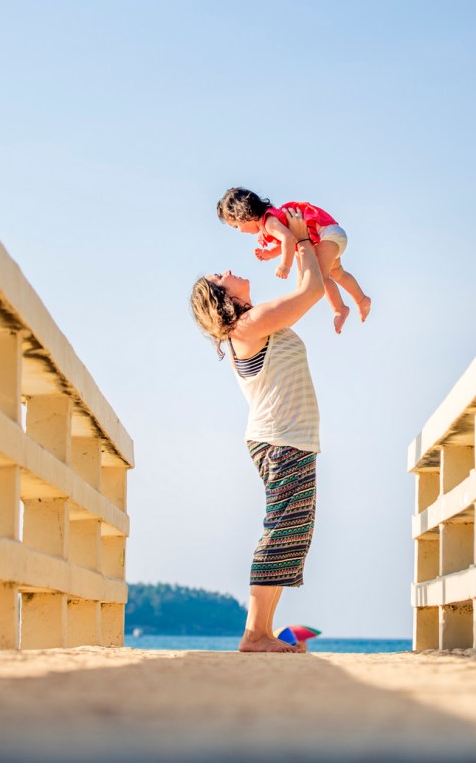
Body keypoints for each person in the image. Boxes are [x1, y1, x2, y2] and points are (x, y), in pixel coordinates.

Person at [190, 209, 325, 654]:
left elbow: (306, 289)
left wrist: (301, 243)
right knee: (281, 530)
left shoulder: (256, 322)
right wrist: (300, 241)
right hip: (280, 440)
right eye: (220, 276)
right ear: (221, 298)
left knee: (293, 533)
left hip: (289, 439)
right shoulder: (246, 326)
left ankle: (264, 631)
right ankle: (255, 634)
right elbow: (312, 291)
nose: (228, 270)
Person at [217, 187, 371, 335]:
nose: (239, 230)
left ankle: (340, 309)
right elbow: (287, 240)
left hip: (325, 236)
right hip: (330, 234)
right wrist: (270, 253)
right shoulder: (271, 220)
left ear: (243, 215)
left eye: (236, 226)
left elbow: (288, 238)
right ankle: (362, 299)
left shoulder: (269, 222)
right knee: (338, 273)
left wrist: (285, 265)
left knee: (320, 278)